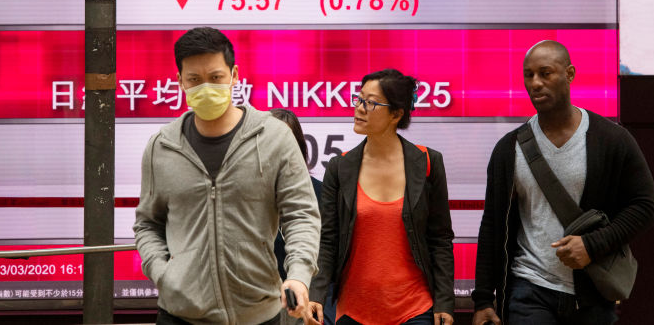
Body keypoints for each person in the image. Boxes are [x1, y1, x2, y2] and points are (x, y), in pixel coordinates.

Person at [134, 27, 321, 325]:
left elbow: (301, 214)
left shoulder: (274, 138)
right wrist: (163, 272)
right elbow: (148, 223)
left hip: (259, 314)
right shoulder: (162, 147)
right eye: (194, 79)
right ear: (180, 81)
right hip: (180, 315)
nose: (205, 87)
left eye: (216, 77)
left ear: (234, 75)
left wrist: (298, 275)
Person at [471, 40, 654, 325]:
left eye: (545, 73)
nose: (535, 83)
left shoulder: (611, 139)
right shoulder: (508, 149)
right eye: (528, 75)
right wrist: (484, 299)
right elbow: (492, 225)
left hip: (592, 293)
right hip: (528, 287)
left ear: (569, 74)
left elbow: (645, 207)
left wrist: (592, 245)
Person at [309, 69, 455, 325]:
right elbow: (328, 241)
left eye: (371, 102)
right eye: (359, 98)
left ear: (396, 114)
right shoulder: (340, 168)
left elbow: (440, 239)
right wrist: (317, 295)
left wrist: (445, 302)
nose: (359, 108)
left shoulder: (428, 163)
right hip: (354, 311)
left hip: (415, 308)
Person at [270, 108, 337, 325]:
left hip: (310, 301)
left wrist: (317, 302)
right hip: (259, 304)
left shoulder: (321, 193)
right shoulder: (245, 197)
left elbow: (328, 255)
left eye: (285, 143)